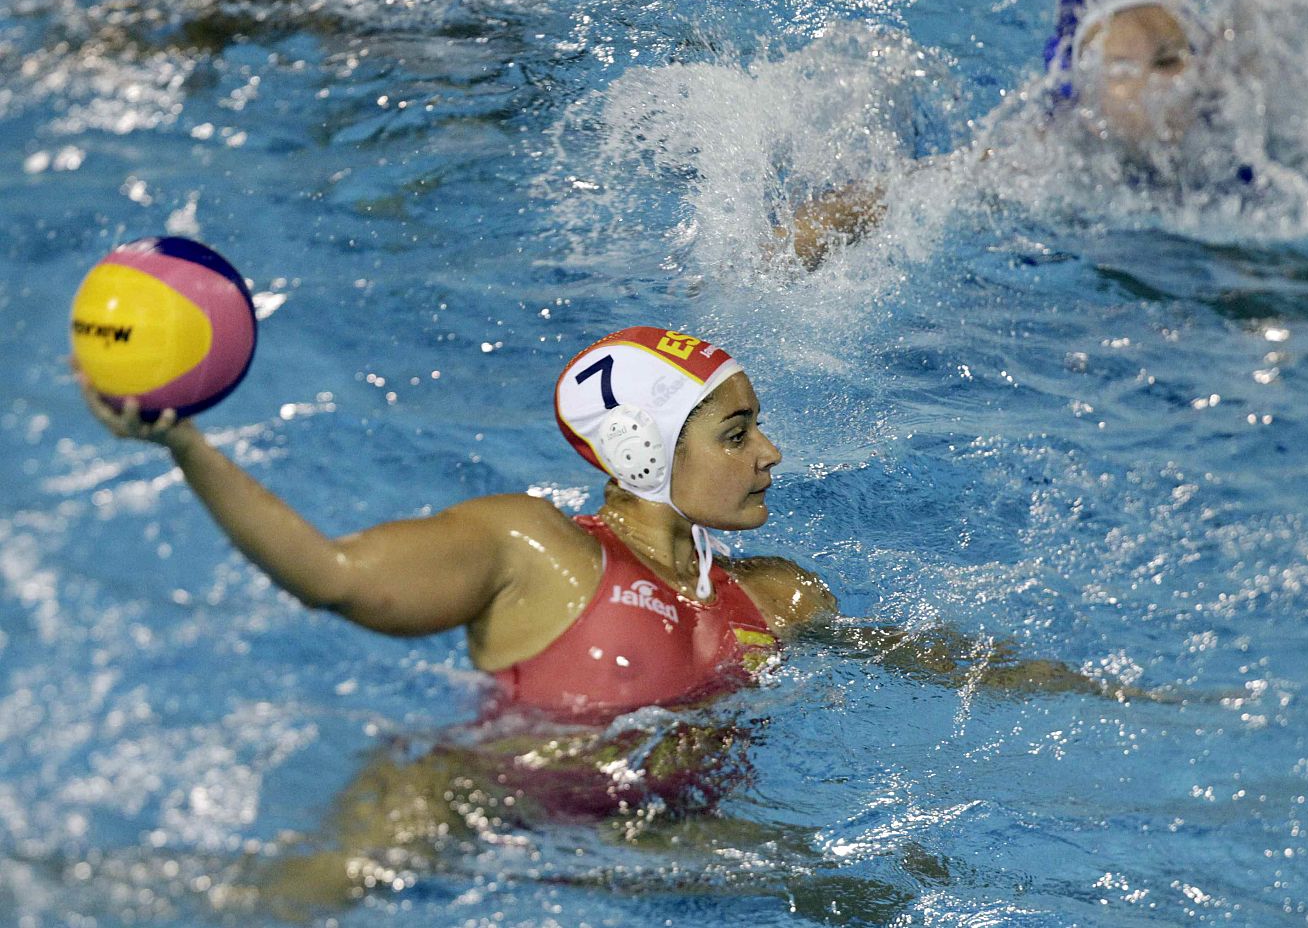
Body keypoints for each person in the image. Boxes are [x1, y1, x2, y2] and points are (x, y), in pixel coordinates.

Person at [77, 323, 1162, 909]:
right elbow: (329, 575)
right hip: (475, 799)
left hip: (659, 838)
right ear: (647, 452)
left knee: (897, 895)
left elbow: (927, 660)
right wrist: (185, 443)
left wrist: (1113, 694)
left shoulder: (776, 595)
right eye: (736, 432)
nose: (770, 452)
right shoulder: (533, 549)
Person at [782, 0, 1227, 268]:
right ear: (1082, 89)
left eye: (1170, 59)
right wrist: (784, 250)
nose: (1160, 86)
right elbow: (901, 191)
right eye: (1125, 70)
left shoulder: (1232, 132)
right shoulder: (1049, 160)